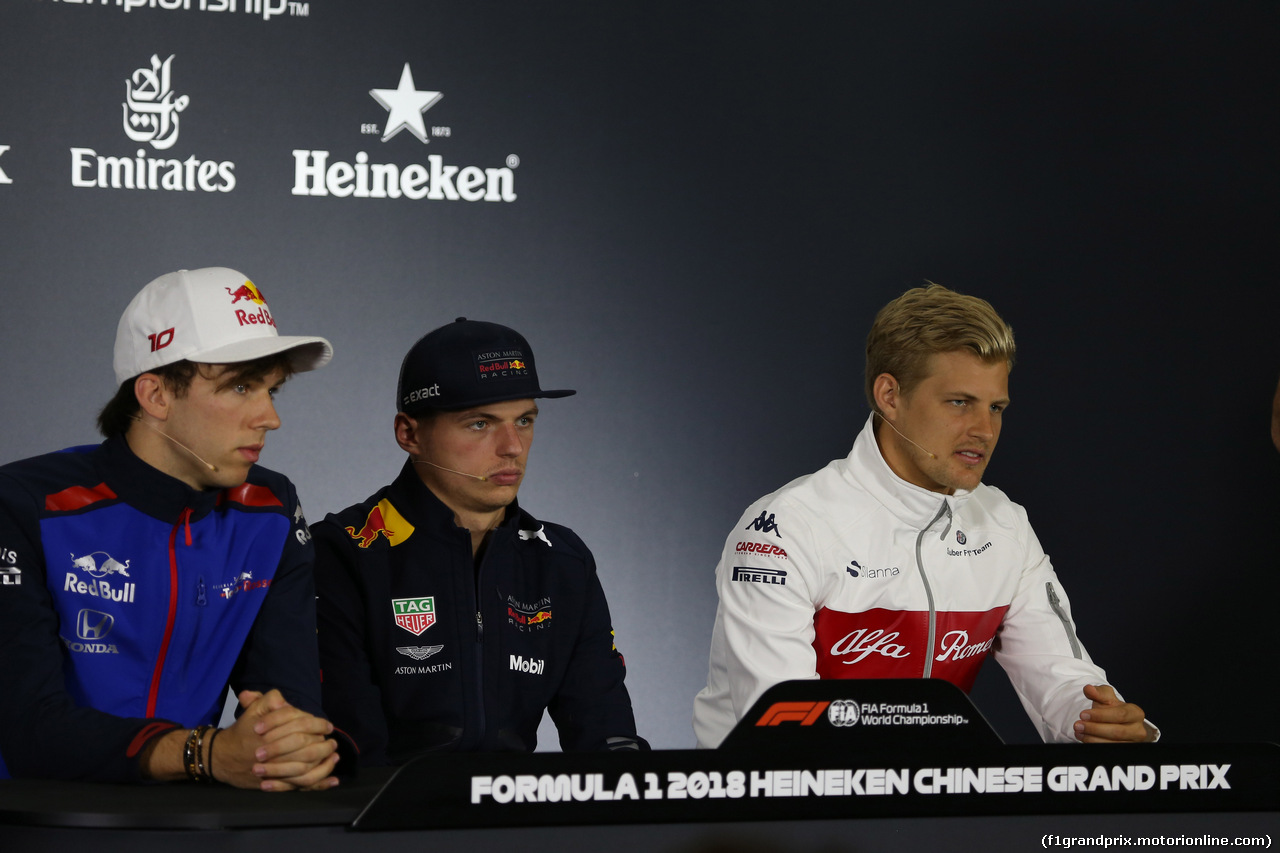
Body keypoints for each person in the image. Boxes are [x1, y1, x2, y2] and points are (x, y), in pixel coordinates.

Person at [692, 283, 1156, 748]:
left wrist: (1096, 723)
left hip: (921, 808)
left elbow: (1060, 677)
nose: (984, 430)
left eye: (996, 408)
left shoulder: (1005, 525)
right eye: (959, 402)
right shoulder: (785, 528)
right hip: (770, 812)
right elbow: (785, 732)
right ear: (890, 395)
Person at [0, 267, 350, 789]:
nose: (269, 417)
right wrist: (204, 753)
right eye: (241, 386)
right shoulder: (24, 503)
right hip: (35, 820)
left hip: (186, 817)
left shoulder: (269, 507)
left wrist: (287, 746)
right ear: (156, 395)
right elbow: (28, 730)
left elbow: (286, 706)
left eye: (272, 390)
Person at [312, 318, 645, 764]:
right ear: (408, 434)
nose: (512, 446)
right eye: (479, 424)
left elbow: (606, 732)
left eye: (524, 420)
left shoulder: (563, 562)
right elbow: (348, 746)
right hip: (377, 822)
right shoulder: (341, 553)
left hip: (513, 823)